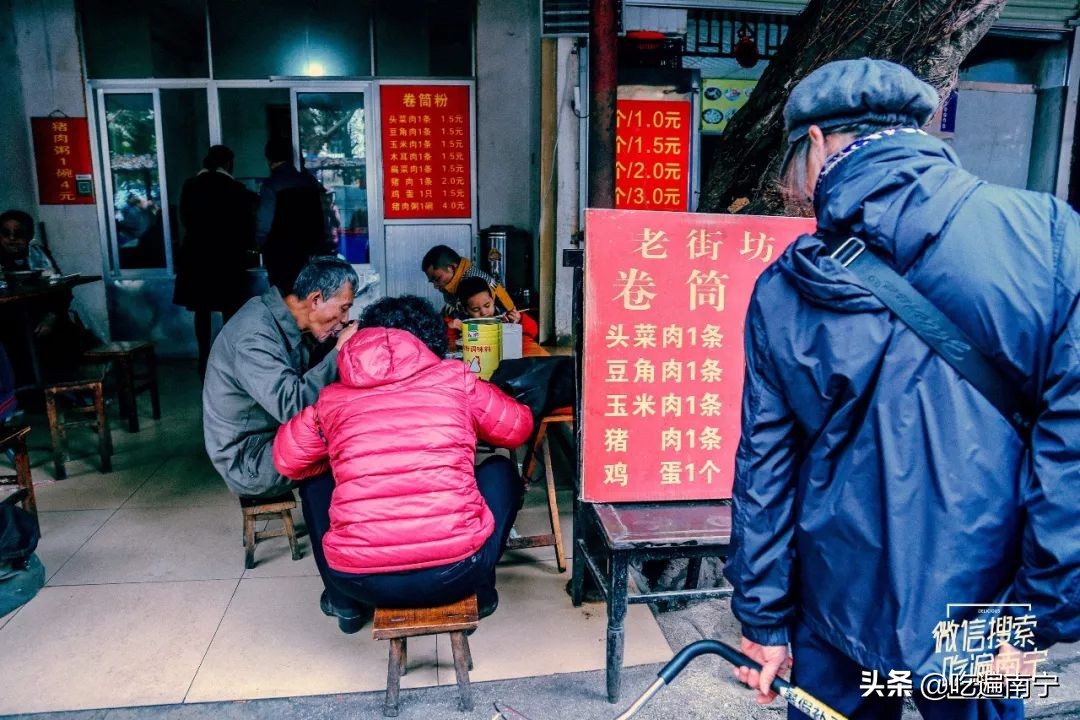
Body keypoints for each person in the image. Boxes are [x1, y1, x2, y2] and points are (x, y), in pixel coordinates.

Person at [725, 58, 1080, 720]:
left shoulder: (785, 287)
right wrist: (1040, 613)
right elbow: (1073, 448)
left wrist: (765, 621)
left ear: (814, 146)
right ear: (921, 132)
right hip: (987, 607)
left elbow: (766, 469)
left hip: (835, 606)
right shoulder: (1051, 238)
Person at [272, 294, 532, 632]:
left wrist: (344, 459)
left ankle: (345, 605)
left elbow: (286, 461)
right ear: (429, 340)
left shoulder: (333, 399)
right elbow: (518, 428)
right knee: (499, 469)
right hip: (456, 571)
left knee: (315, 483)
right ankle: (479, 593)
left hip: (360, 579)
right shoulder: (456, 379)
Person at [203, 256, 358, 624]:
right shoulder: (254, 333)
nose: (344, 319)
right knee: (330, 463)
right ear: (316, 298)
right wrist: (338, 353)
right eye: (344, 308)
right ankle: (343, 595)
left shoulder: (284, 321)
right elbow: (294, 404)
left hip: (271, 435)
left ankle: (361, 566)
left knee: (352, 436)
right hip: (249, 456)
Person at [173, 145, 259, 379]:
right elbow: (245, 226)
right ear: (229, 164)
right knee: (229, 309)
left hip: (197, 257)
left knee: (201, 311)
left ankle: (203, 357)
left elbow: (185, 219)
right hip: (227, 259)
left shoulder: (190, 186)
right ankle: (227, 357)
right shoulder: (235, 189)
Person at [0, 209, 97, 387]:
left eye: (18, 233)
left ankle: (69, 391)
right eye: (6, 233)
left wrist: (51, 317)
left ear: (29, 235)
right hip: (10, 324)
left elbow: (61, 288)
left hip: (45, 319)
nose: (12, 239)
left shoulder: (39, 255)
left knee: (70, 337)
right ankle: (28, 396)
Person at [255, 138, 335, 295]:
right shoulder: (309, 183)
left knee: (283, 298)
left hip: (281, 255)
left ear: (269, 159)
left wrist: (261, 244)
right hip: (309, 253)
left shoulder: (272, 185)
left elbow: (264, 224)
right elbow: (323, 218)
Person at [456, 275, 545, 357]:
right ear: (465, 310)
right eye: (476, 309)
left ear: (493, 299)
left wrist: (520, 320)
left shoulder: (506, 317)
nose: (483, 312)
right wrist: (455, 328)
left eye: (487, 305)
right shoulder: (461, 323)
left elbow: (534, 331)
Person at [422, 244, 516, 320]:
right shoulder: (449, 285)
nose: (435, 286)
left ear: (452, 268)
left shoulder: (476, 282)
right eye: (432, 281)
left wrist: (511, 312)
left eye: (437, 279)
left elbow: (499, 295)